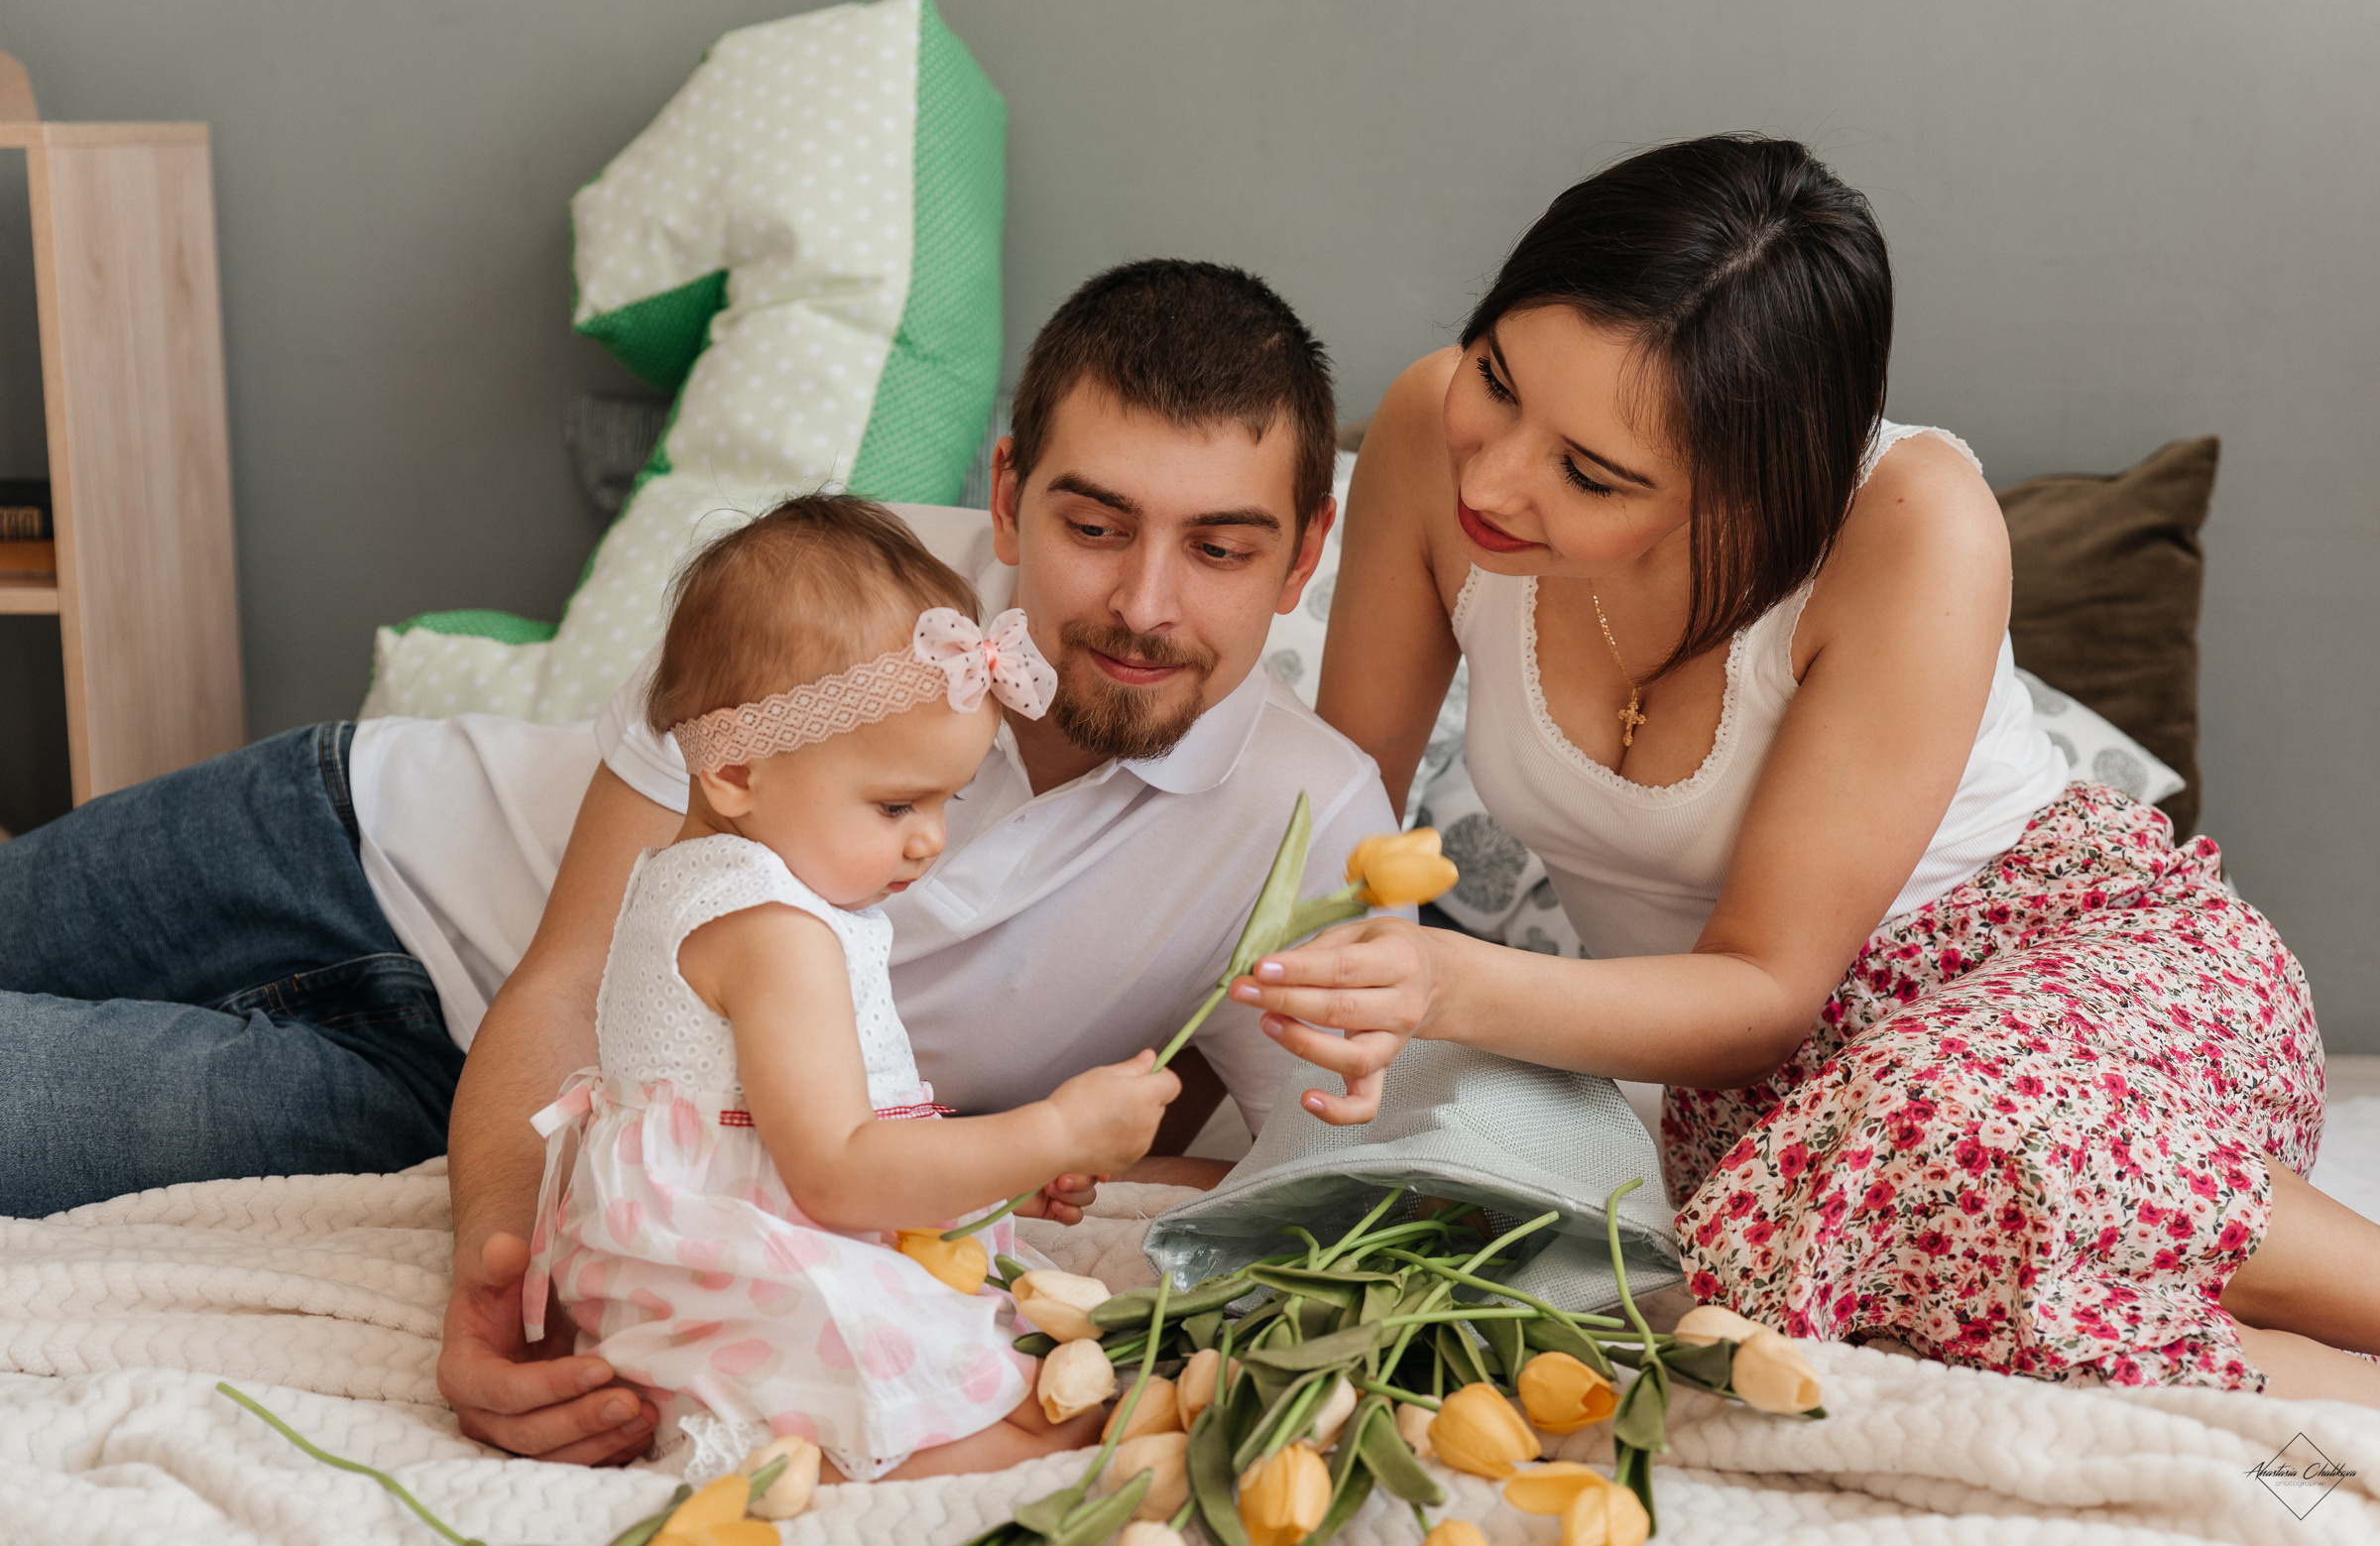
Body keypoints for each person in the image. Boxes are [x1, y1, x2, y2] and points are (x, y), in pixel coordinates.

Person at [0, 261, 1396, 1463]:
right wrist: (512, 1241)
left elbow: (1291, 1175)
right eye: (1093, 527)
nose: (1144, 604)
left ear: (1304, 553)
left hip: (433, 1100)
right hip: (344, 841)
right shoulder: (837, 591)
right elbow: (568, 972)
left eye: (1220, 546)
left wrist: (1025, 1173)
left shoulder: (1304, 813)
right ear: (1008, 489)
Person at [1227, 135, 2380, 1405]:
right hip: (1769, 1095)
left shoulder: (1909, 523)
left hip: (2086, 986)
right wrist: (1202, 1122)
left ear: (1750, 482)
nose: (1493, 475)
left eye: (1593, 474)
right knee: (1755, 1297)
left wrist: (1442, 979)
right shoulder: (1425, 436)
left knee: (1932, 1136)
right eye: (1497, 376)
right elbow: (1329, 833)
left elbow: (1769, 987)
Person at [524, 494, 1174, 1481]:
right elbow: (831, 1171)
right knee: (1022, 1396)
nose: (931, 839)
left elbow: (838, 1131)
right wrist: (1054, 1130)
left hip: (701, 1258)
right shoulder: (771, 930)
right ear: (736, 766)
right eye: (897, 803)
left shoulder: (729, 885)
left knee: (1034, 1340)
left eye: (946, 801)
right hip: (724, 1273)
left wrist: (993, 1169)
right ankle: (823, 1461)